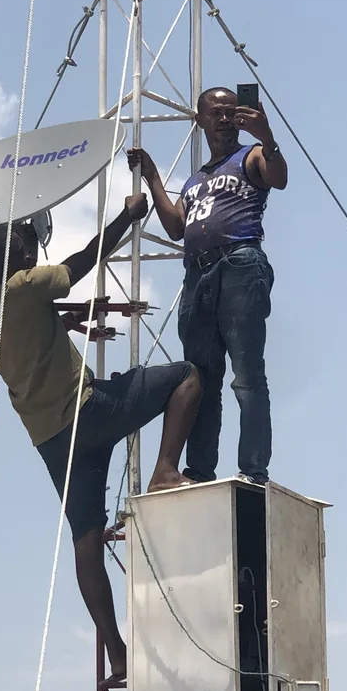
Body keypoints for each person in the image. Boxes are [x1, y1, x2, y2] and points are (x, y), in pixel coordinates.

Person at [0, 193, 202, 681]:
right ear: (14, 263)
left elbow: (29, 324)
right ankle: (164, 471)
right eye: (23, 253)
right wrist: (129, 216)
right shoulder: (29, 285)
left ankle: (116, 651)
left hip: (52, 441)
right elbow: (82, 260)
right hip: (90, 412)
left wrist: (65, 320)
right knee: (187, 378)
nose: (31, 257)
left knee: (86, 541)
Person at [128, 87, 287, 485]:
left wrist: (266, 136)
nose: (223, 117)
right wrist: (151, 177)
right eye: (215, 112)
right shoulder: (196, 180)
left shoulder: (250, 154)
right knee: (202, 379)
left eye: (230, 111)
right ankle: (199, 473)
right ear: (200, 120)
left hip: (238, 264)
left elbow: (279, 178)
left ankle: (253, 470)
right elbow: (176, 226)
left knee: (247, 374)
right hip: (197, 275)